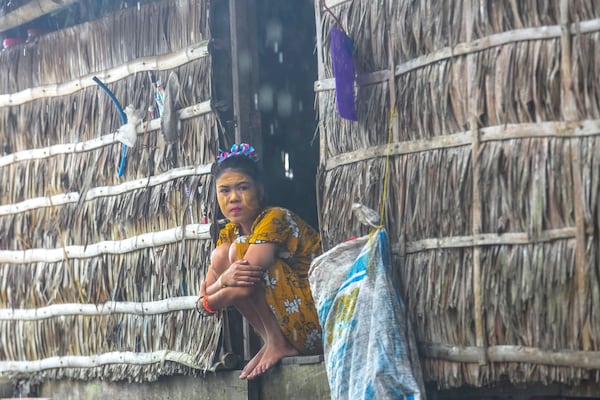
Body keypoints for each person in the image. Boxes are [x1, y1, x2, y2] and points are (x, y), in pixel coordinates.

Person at [197, 143, 323, 380]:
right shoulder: (229, 233)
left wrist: (210, 299)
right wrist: (222, 282)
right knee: (222, 253)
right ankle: (271, 341)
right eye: (224, 191)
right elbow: (209, 291)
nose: (233, 197)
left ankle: (276, 342)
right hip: (290, 328)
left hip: (315, 325)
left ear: (260, 191)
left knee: (240, 252)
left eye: (242, 187)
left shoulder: (274, 218)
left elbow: (242, 284)